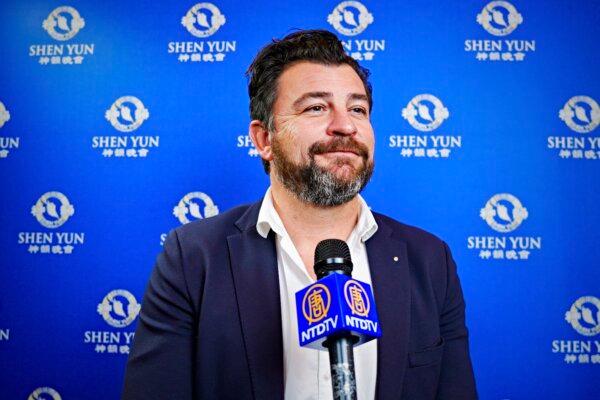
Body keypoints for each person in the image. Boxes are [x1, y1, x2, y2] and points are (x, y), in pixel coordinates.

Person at [122, 29, 477, 400]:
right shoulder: (194, 257)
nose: (346, 125)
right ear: (264, 140)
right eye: (316, 107)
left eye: (357, 109)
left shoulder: (429, 259)